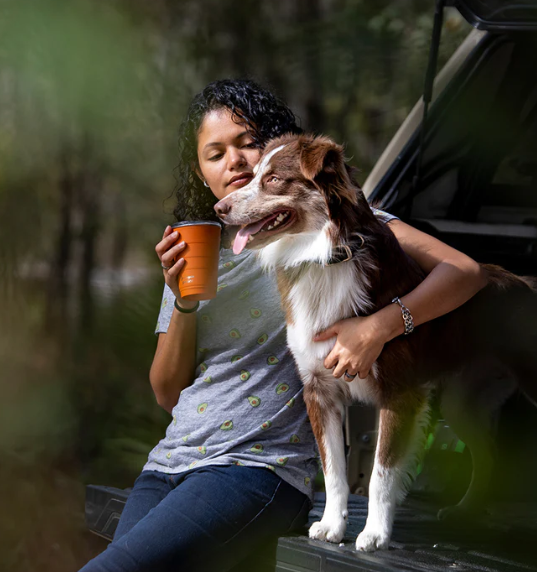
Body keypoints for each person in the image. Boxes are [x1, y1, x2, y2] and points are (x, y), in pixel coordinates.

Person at [79, 79, 487, 572]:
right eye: (214, 153)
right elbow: (167, 394)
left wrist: (380, 326)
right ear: (200, 172)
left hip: (255, 470)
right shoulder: (200, 253)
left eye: (247, 143)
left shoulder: (345, 231)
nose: (233, 162)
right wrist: (184, 301)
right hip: (169, 463)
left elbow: (464, 273)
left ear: (274, 147)